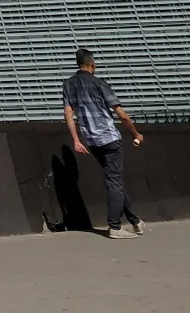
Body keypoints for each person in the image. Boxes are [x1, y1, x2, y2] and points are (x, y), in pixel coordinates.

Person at [62, 47, 145, 238]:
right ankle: (114, 227)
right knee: (114, 180)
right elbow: (121, 114)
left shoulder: (68, 84)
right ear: (93, 64)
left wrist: (76, 140)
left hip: (90, 140)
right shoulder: (100, 83)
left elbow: (68, 113)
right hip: (109, 137)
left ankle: (135, 221)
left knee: (113, 179)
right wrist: (136, 133)